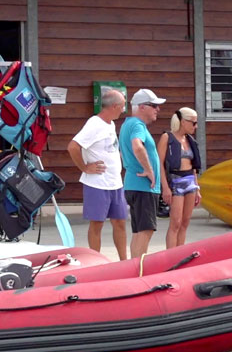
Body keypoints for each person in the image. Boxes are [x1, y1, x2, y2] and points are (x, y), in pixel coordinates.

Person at [67, 88, 128, 260]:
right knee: (97, 224)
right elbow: (73, 146)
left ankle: (123, 261)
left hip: (115, 183)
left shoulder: (111, 123)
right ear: (114, 106)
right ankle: (97, 261)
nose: (124, 110)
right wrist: (85, 167)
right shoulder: (94, 124)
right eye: (123, 106)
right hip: (97, 184)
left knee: (120, 222)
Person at [119, 88, 164, 258]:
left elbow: (124, 152)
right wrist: (149, 170)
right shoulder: (137, 124)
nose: (157, 109)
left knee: (139, 232)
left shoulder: (127, 124)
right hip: (143, 187)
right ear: (142, 107)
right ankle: (139, 271)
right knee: (145, 231)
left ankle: (135, 267)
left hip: (134, 185)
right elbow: (137, 146)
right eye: (154, 106)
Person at [158, 107, 201, 248]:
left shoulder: (190, 140)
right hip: (175, 181)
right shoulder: (167, 138)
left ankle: (180, 254)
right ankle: (170, 256)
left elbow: (193, 166)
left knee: (185, 222)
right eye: (193, 123)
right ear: (183, 122)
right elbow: (160, 164)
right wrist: (165, 188)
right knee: (175, 223)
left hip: (190, 181)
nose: (196, 126)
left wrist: (197, 187)